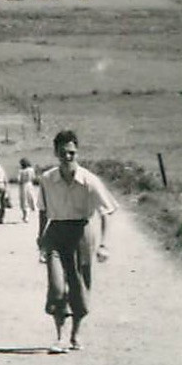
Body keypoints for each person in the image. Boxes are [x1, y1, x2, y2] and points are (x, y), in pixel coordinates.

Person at [37, 130, 118, 353]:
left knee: (79, 286)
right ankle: (60, 337)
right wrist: (41, 237)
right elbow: (43, 210)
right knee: (56, 287)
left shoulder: (89, 181)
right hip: (55, 233)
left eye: (71, 152)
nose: (68, 157)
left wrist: (103, 243)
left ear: (77, 152)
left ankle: (75, 334)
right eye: (63, 153)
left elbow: (107, 211)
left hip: (81, 234)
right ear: (56, 153)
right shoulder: (47, 179)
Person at [16, 158, 38, 223]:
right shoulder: (31, 170)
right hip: (30, 184)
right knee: (30, 198)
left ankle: (25, 216)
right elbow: (33, 177)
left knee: (24, 201)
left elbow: (18, 179)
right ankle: (30, 214)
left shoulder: (21, 171)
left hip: (23, 186)